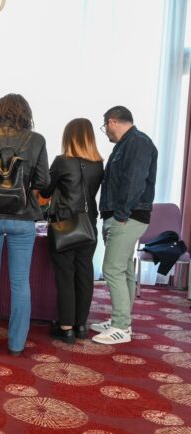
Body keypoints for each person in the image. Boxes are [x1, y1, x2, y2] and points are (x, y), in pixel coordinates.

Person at [0, 93, 49, 356]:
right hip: (23, 217)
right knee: (20, 282)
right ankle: (16, 345)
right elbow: (43, 182)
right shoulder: (36, 140)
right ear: (25, 114)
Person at [91, 106, 157, 345]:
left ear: (112, 121)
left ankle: (120, 327)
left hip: (127, 216)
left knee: (112, 269)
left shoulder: (137, 142)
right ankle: (122, 321)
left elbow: (134, 181)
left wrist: (121, 214)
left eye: (105, 127)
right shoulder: (126, 144)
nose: (106, 132)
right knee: (125, 269)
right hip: (123, 215)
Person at [39, 119, 104, 343]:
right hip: (89, 225)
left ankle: (66, 327)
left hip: (64, 225)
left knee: (65, 275)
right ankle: (81, 326)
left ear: (69, 137)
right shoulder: (98, 164)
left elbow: (45, 191)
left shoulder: (62, 161)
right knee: (84, 274)